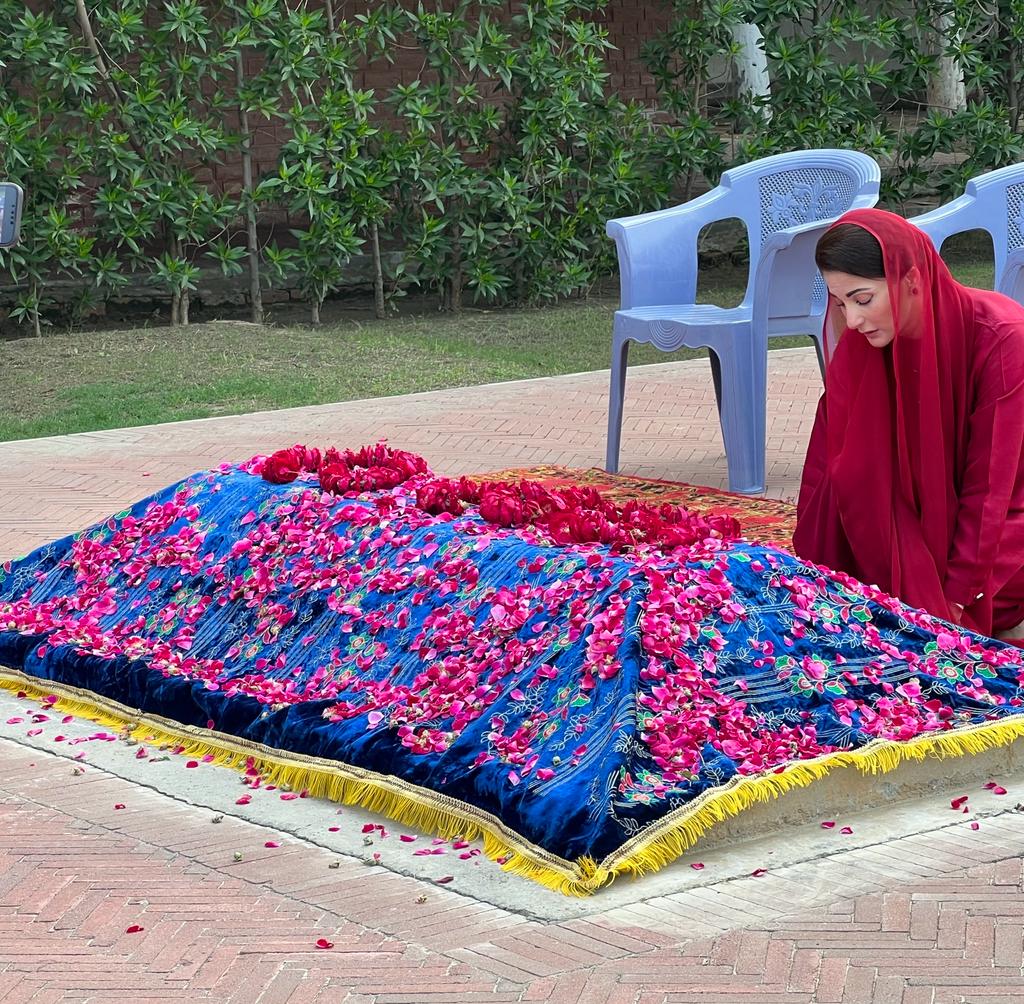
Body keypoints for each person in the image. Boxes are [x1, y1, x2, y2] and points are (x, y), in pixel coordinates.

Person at [794, 207, 1024, 641]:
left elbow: (991, 485)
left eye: (862, 299)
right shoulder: (864, 346)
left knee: (924, 616)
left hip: (1000, 527)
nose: (854, 320)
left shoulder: (1001, 338)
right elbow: (826, 465)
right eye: (840, 303)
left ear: (913, 280)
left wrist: (957, 596)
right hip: (918, 525)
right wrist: (813, 564)